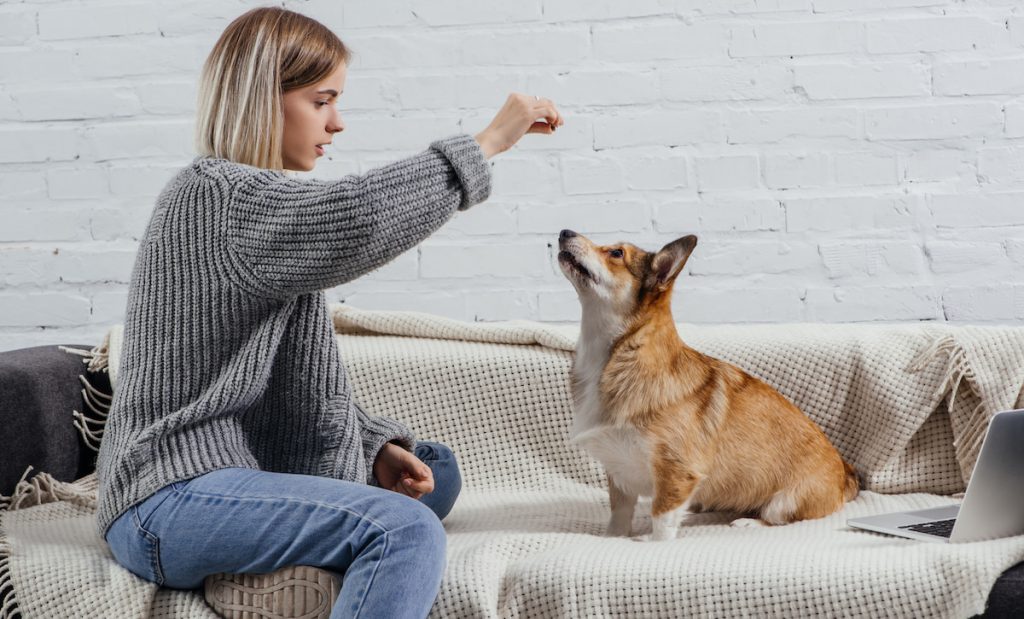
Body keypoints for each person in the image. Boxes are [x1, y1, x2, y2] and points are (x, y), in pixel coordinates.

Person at [95, 6, 563, 618]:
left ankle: (266, 570)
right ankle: (261, 566)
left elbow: (292, 386)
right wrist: (486, 144)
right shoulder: (216, 195)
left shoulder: (266, 210)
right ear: (264, 98)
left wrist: (370, 447)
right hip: (166, 496)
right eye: (322, 101)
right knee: (404, 529)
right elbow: (362, 216)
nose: (337, 123)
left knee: (434, 469)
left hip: (229, 470)